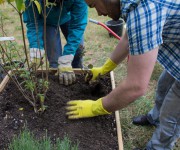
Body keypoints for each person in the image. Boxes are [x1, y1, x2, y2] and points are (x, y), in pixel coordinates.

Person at [66, 0, 180, 149]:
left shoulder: (143, 11)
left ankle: (159, 146)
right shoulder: (132, 4)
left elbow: (136, 86)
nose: (99, 13)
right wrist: (105, 68)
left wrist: (96, 107)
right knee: (163, 87)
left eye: (94, 5)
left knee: (173, 111)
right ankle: (155, 117)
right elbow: (127, 39)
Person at [23, 0, 87, 85]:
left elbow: (78, 25)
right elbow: (33, 22)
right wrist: (36, 48)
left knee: (78, 50)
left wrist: (67, 57)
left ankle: (78, 77)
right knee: (54, 61)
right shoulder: (31, 1)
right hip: (46, 21)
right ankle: (58, 84)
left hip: (69, 16)